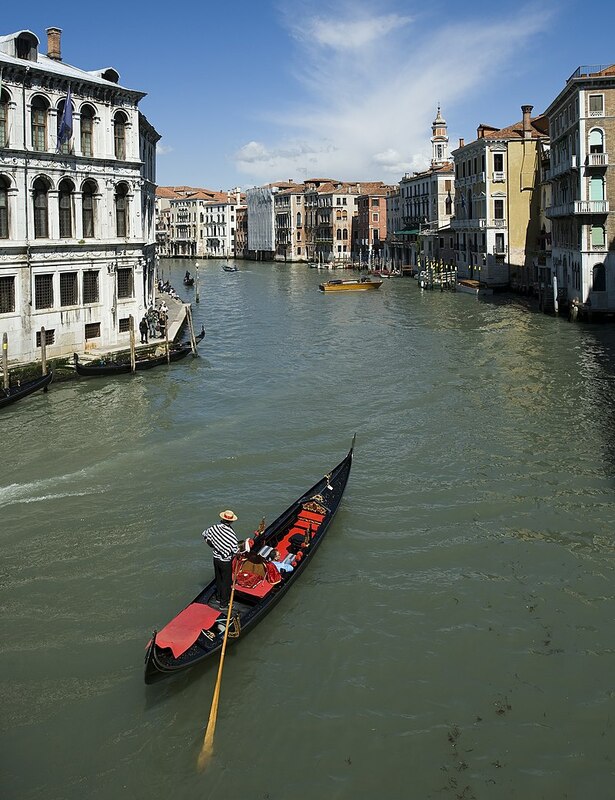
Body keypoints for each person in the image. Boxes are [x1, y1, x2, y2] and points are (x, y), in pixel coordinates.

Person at [202, 510, 241, 608]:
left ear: (222, 518)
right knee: (226, 582)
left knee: (218, 578)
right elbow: (235, 550)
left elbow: (205, 535)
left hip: (215, 558)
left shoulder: (214, 528)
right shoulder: (231, 534)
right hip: (225, 561)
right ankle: (224, 604)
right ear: (231, 521)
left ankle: (218, 598)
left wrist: (213, 546)